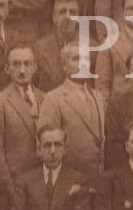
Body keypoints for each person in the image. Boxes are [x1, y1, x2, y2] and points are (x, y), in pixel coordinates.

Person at [36, 42, 108, 175]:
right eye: (76, 59)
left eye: (86, 59)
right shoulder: (53, 99)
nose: (83, 64)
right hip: (70, 177)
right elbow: (48, 145)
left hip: (99, 175)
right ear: (64, 66)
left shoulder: (97, 96)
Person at [0, 44, 44, 187]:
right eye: (16, 64)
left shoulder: (45, 98)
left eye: (27, 64)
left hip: (43, 185)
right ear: (7, 68)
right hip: (16, 184)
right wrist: (10, 189)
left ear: (34, 67)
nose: (22, 70)